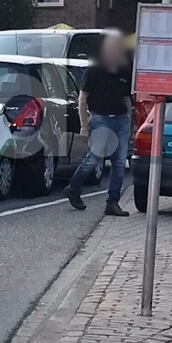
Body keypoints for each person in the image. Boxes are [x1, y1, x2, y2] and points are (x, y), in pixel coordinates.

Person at [67, 31, 133, 217]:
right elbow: (83, 98)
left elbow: (126, 99)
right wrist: (84, 125)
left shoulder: (123, 70)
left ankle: (112, 203)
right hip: (100, 119)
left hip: (120, 120)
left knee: (119, 164)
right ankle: (73, 188)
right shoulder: (94, 69)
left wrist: (129, 124)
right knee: (93, 160)